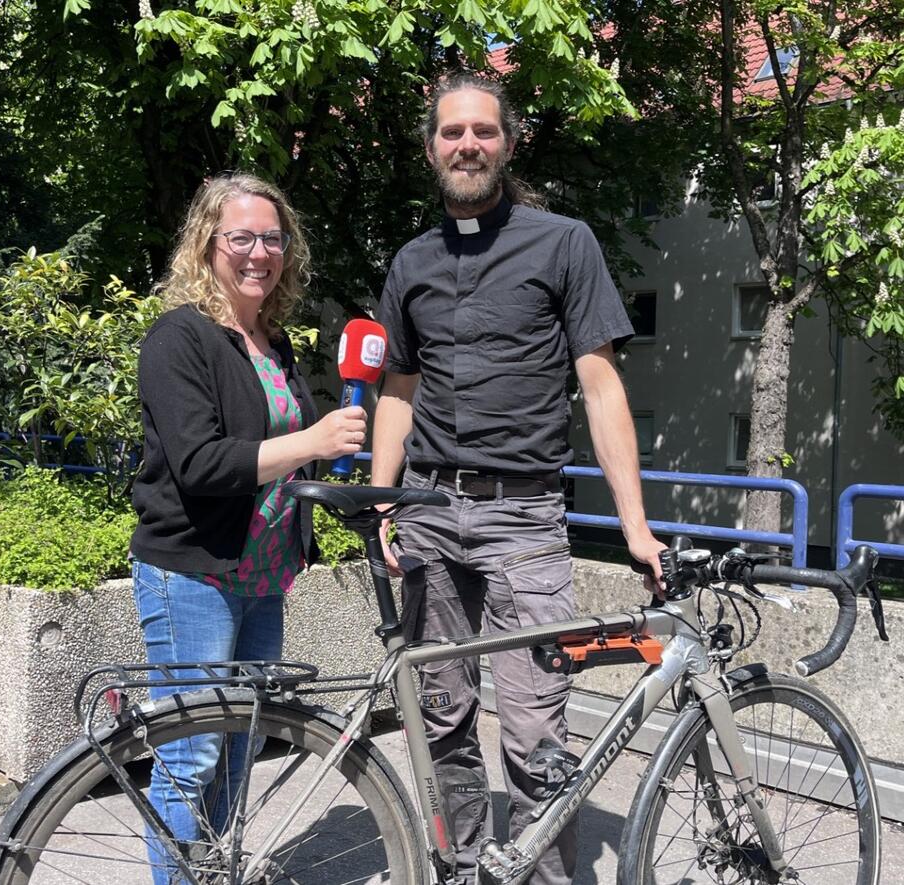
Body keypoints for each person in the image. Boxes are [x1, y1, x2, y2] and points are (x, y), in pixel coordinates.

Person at [370, 74, 665, 885]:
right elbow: (399, 387)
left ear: (508, 142)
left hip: (524, 519)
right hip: (428, 511)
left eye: (484, 131)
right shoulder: (413, 261)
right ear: (431, 147)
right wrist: (381, 500)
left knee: (537, 727)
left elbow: (601, 387)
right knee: (441, 719)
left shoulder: (563, 243)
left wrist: (635, 524)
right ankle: (463, 869)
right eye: (452, 132)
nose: (468, 144)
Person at [129, 172, 366, 883]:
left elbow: (283, 461)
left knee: (238, 750)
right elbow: (201, 464)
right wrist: (316, 440)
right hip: (194, 572)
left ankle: (213, 872)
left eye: (272, 237)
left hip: (263, 576)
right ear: (207, 245)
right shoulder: (179, 338)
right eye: (241, 237)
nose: (259, 252)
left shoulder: (272, 340)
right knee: (192, 753)